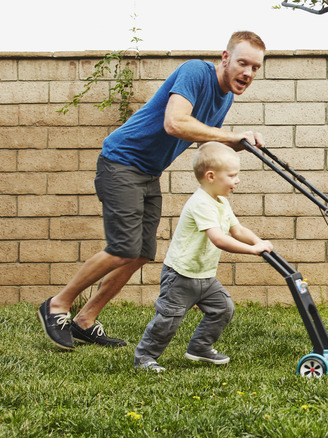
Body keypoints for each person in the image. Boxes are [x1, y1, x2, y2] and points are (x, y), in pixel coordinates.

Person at [38, 31, 267, 350]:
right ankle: (56, 306)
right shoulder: (195, 72)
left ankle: (85, 320)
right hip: (121, 161)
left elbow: (204, 139)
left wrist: (235, 145)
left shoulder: (224, 97)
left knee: (142, 252)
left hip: (148, 172)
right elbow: (175, 123)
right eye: (243, 63)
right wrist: (229, 135)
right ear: (225, 58)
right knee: (122, 247)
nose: (248, 72)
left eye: (255, 67)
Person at [134, 142, 273, 372]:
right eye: (232, 175)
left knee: (223, 308)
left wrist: (258, 241)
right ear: (211, 176)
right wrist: (251, 250)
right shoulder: (200, 203)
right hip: (180, 275)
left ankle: (199, 347)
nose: (237, 180)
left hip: (205, 275)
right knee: (168, 320)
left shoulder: (221, 202)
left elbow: (237, 230)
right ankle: (144, 358)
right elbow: (218, 239)